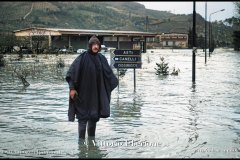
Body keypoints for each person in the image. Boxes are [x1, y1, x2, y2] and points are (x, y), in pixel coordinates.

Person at [65, 35, 118, 139]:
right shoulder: (82, 58)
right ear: (89, 46)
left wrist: (114, 81)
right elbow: (71, 73)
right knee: (83, 118)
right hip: (83, 95)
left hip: (96, 96)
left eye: (97, 45)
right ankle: (81, 146)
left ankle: (92, 145)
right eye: (93, 45)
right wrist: (72, 88)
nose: (96, 47)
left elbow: (108, 75)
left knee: (93, 118)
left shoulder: (101, 58)